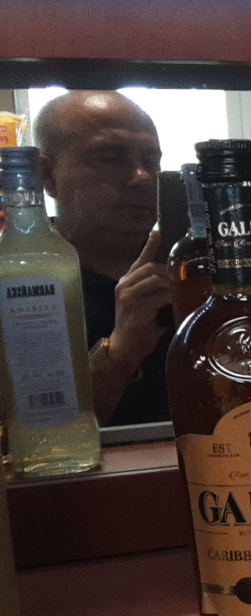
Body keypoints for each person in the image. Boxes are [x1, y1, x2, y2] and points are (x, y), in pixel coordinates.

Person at [34, 91, 171, 426]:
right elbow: (36, 438)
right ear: (46, 176)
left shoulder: (193, 270)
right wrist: (120, 354)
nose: (142, 177)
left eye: (151, 161)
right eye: (110, 159)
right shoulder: (22, 286)